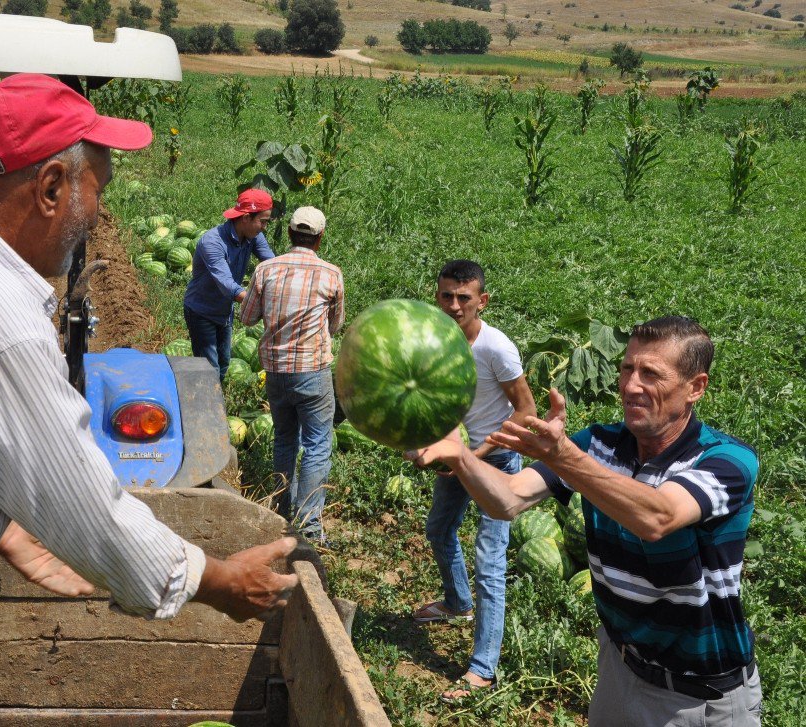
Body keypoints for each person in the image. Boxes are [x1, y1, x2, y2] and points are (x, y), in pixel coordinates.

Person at [0, 74, 297, 726]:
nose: (98, 213)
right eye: (100, 190)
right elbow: (94, 515)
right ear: (49, 189)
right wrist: (223, 581)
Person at [409, 316, 761, 725]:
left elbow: (657, 517)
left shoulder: (727, 460)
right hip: (619, 668)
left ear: (695, 387)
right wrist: (459, 454)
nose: (631, 386)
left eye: (651, 374)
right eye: (628, 368)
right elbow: (507, 499)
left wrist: (561, 456)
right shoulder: (598, 442)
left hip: (698, 697)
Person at [410, 260, 537, 701]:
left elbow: (527, 412)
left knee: (490, 561)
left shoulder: (496, 349)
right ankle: (457, 603)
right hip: (456, 453)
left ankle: (482, 669)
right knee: (439, 530)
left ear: (482, 300)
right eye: (446, 295)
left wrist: (473, 454)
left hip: (496, 461)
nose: (454, 305)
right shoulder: (432, 341)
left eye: (464, 297)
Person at [239, 207, 344, 544]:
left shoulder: (266, 269)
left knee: (284, 438)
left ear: (287, 234)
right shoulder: (331, 274)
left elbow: (247, 319)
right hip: (312, 372)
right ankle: (310, 526)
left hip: (275, 371)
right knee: (316, 445)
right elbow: (335, 325)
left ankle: (282, 511)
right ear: (320, 237)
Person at [184, 188, 275, 383]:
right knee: (208, 369)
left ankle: (214, 401)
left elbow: (271, 264)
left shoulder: (253, 236)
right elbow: (227, 284)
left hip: (225, 311)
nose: (265, 227)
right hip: (202, 311)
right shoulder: (212, 242)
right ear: (245, 218)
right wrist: (258, 303)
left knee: (223, 363)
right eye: (263, 221)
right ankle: (205, 408)